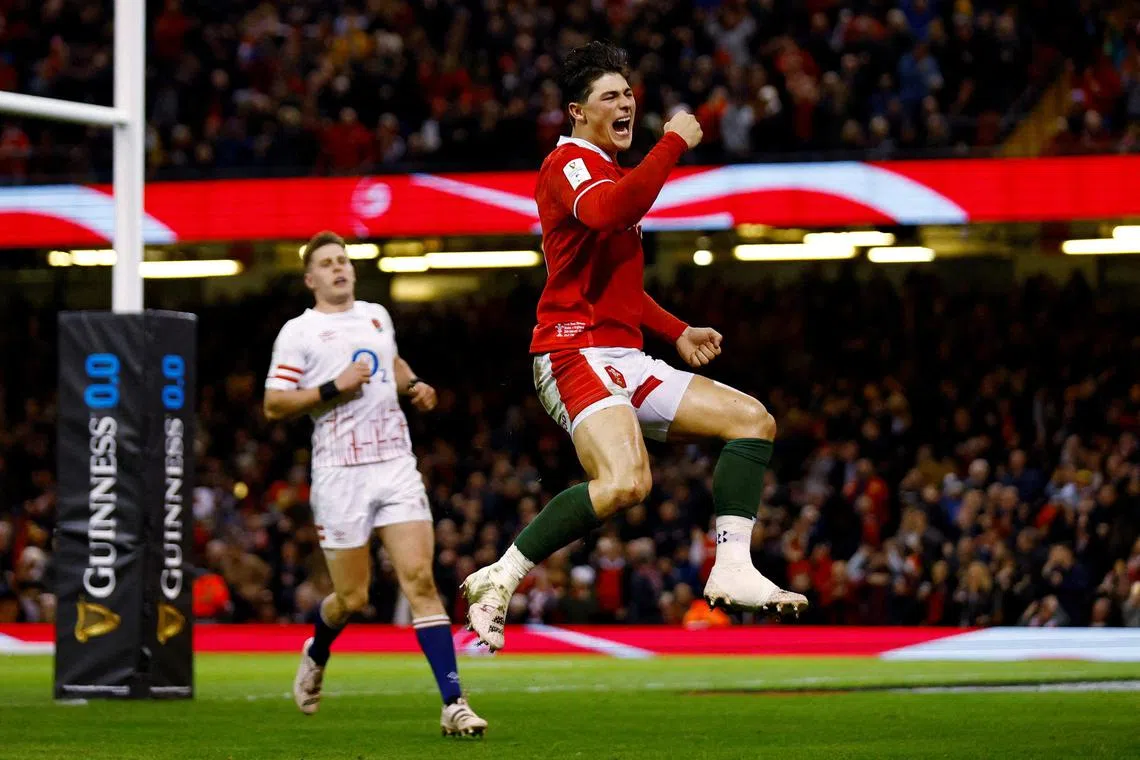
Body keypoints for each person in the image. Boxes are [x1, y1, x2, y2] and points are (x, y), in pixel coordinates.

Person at [461, 42, 807, 652]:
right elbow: (607, 213)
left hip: (625, 355)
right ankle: (500, 577)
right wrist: (671, 143)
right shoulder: (568, 163)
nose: (626, 104)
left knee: (754, 422)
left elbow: (620, 287)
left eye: (628, 94)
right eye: (609, 97)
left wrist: (675, 330)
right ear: (577, 111)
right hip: (572, 351)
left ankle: (731, 568)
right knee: (625, 482)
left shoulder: (611, 171)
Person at [263, 231, 487, 736]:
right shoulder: (298, 333)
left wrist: (413, 385)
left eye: (343, 260)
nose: (338, 268)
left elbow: (392, 361)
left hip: (394, 463)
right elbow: (274, 404)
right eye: (327, 263)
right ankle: (317, 651)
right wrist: (330, 388)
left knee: (421, 583)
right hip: (339, 473)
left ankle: (454, 704)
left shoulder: (376, 315)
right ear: (310, 278)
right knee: (353, 598)